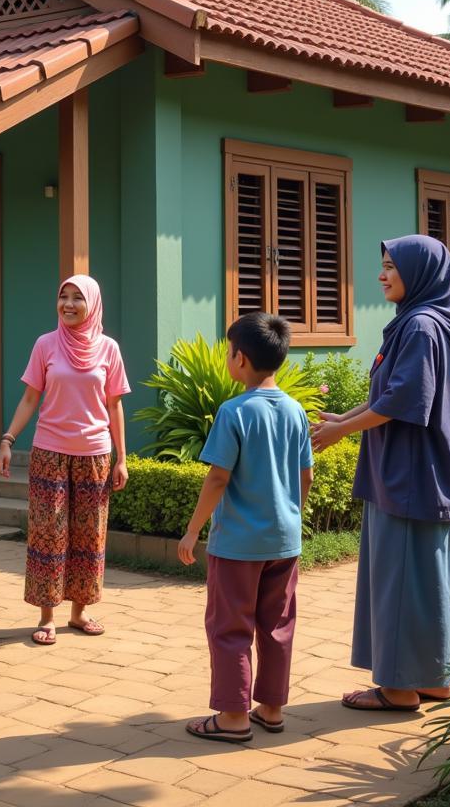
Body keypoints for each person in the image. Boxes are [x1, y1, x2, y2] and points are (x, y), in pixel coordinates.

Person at [312, 235, 450, 711]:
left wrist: (343, 434)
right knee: (425, 579)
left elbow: (403, 403)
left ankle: (400, 688)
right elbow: (390, 392)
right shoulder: (422, 323)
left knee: (401, 578)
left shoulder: (422, 327)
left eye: (390, 266)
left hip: (408, 476)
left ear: (420, 274)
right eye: (382, 265)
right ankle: (434, 678)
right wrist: (343, 420)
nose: (382, 275)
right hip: (417, 473)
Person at [178, 312, 314, 743]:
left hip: (237, 544)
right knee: (277, 626)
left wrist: (192, 530)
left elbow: (218, 477)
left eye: (227, 350)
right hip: (284, 540)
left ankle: (233, 717)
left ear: (239, 358)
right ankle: (270, 709)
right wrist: (291, 516)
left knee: (230, 626)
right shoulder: (295, 411)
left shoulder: (234, 411)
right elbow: (305, 474)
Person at [0, 275, 130, 645]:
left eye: (77, 298)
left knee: (89, 536)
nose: (68, 305)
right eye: (62, 297)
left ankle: (80, 612)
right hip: (49, 453)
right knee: (48, 533)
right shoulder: (45, 344)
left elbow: (114, 405)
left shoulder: (109, 350)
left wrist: (122, 458)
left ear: (93, 305)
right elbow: (29, 398)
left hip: (95, 454)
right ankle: (47, 616)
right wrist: (8, 439)